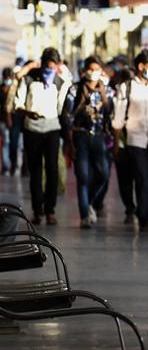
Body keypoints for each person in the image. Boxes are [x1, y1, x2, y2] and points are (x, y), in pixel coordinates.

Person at [14, 49, 73, 225]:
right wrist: (27, 112)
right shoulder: (29, 79)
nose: (50, 69)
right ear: (42, 63)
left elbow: (63, 109)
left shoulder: (61, 83)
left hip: (52, 129)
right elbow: (18, 104)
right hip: (32, 129)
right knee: (36, 172)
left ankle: (50, 210)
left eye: (53, 66)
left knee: (52, 171)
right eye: (47, 66)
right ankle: (37, 211)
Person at [113, 49, 148, 232]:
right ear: (141, 66)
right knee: (142, 178)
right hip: (136, 140)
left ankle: (146, 209)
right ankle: (145, 217)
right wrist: (116, 144)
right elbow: (118, 118)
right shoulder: (126, 88)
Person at [61, 57, 113, 229]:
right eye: (90, 69)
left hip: (99, 137)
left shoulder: (107, 91)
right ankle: (84, 215)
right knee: (83, 176)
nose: (93, 73)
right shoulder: (75, 89)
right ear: (85, 71)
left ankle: (90, 202)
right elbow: (67, 115)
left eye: (97, 69)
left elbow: (111, 115)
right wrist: (70, 142)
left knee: (104, 174)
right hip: (80, 137)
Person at [107, 57, 138, 223]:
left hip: (137, 143)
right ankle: (130, 207)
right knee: (125, 180)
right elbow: (115, 122)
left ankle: (136, 207)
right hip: (122, 144)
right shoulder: (116, 98)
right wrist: (116, 145)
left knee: (135, 178)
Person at [0, 67, 11, 174]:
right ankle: (6, 165)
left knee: (8, 143)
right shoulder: (2, 90)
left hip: (10, 121)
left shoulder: (12, 90)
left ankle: (7, 165)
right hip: (3, 121)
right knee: (6, 143)